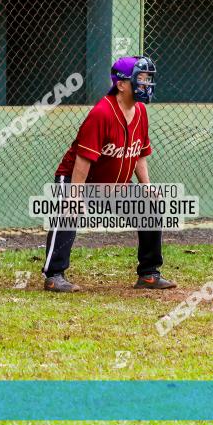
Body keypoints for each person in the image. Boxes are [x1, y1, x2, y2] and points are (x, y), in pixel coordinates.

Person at [42, 56, 175, 292]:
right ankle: (54, 275)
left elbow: (139, 153)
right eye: (140, 79)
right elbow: (83, 159)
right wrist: (74, 196)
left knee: (150, 204)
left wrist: (146, 186)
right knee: (68, 211)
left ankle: (149, 274)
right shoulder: (102, 113)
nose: (146, 85)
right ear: (122, 84)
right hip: (78, 179)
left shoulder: (141, 112)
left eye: (148, 79)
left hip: (115, 186)